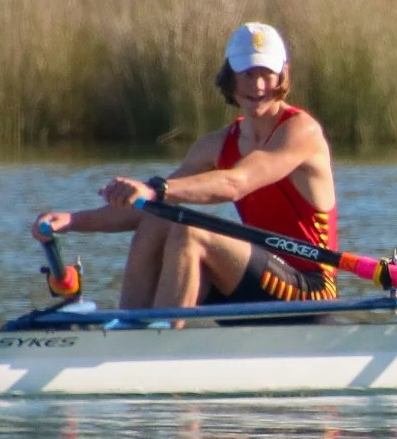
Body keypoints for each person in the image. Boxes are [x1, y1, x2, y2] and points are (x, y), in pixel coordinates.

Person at [36, 22, 339, 309]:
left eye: (267, 73)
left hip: (311, 288)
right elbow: (148, 204)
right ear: (231, 77)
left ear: (283, 75)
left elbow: (236, 183)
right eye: (248, 73)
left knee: (190, 234)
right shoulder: (216, 144)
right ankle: (130, 328)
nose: (258, 85)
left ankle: (164, 335)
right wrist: (74, 221)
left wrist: (155, 190)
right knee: (156, 219)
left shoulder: (301, 131)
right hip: (254, 277)